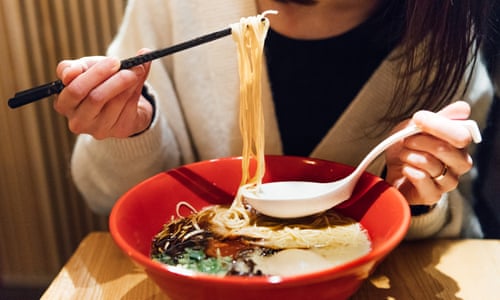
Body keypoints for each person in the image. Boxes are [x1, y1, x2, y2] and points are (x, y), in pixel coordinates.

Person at [54, 0, 494, 240]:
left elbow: (459, 232)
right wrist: (129, 130)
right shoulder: (173, 7)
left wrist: (415, 198)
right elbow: (109, 198)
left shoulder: (446, 33)